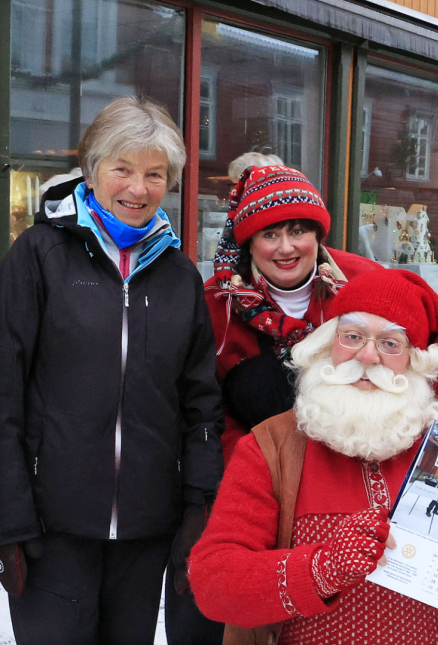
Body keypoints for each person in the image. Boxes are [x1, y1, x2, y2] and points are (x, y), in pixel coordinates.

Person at [189, 270, 438, 644]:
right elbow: (212, 582)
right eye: (353, 336)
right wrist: (320, 569)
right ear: (328, 345)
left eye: (390, 343)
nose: (369, 356)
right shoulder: (271, 446)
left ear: (414, 359)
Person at [0, 96, 224, 645]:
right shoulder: (40, 256)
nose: (138, 188)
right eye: (122, 169)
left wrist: (199, 505)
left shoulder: (179, 275)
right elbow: (3, 390)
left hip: (147, 534)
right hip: (50, 533)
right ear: (92, 168)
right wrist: (9, 515)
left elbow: (200, 402)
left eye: (154, 174)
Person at [206, 164, 381, 463]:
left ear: (317, 235)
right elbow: (207, 407)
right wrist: (255, 469)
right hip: (260, 472)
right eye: (270, 235)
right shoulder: (218, 301)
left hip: (356, 465)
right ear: (250, 242)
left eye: (298, 231)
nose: (286, 248)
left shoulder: (367, 282)